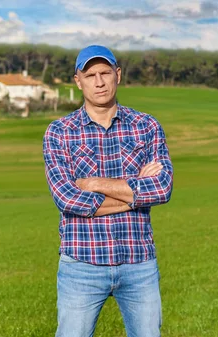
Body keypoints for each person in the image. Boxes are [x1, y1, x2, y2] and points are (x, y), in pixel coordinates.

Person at [42, 45, 174, 337]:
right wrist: (134, 194)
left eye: (105, 73)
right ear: (78, 81)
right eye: (90, 75)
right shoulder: (59, 132)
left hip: (138, 263)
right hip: (81, 265)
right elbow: (67, 199)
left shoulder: (147, 126)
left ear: (118, 75)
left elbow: (162, 189)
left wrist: (94, 184)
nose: (98, 81)